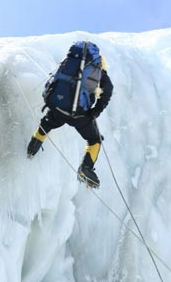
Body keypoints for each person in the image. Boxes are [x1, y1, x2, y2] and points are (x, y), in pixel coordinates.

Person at [27, 41, 113, 188]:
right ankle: (85, 169)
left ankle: (30, 150)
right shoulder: (98, 71)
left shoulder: (70, 63)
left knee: (46, 124)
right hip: (78, 115)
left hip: (57, 107)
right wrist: (95, 112)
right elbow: (108, 91)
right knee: (94, 140)